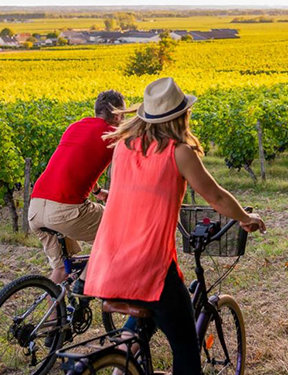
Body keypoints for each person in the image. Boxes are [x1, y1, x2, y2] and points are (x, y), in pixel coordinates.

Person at [83, 77, 266, 375]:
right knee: (185, 344)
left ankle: (122, 361)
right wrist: (246, 218)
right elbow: (217, 197)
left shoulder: (123, 147)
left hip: (109, 261)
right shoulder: (179, 151)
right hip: (148, 264)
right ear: (182, 115)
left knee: (152, 311)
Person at [28, 90, 125, 284]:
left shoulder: (75, 127)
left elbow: (74, 162)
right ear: (117, 115)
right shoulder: (113, 135)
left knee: (61, 271)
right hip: (65, 209)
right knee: (119, 234)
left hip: (36, 208)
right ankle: (84, 283)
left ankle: (56, 310)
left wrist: (97, 192)